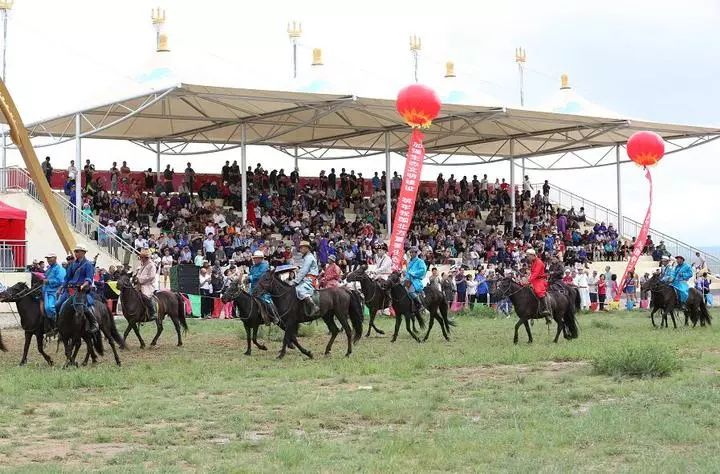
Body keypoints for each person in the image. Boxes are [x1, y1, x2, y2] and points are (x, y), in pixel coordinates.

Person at [55, 244, 98, 333]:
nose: (75, 253)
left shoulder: (88, 264)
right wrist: (61, 287)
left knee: (82, 306)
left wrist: (83, 285)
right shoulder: (72, 264)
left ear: (83, 252)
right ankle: (58, 325)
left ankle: (94, 323)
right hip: (70, 289)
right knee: (58, 304)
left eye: (77, 251)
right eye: (75, 251)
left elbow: (89, 278)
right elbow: (67, 278)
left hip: (81, 290)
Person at [292, 241, 320, 316]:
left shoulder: (309, 258)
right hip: (306, 278)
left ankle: (314, 306)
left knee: (299, 290)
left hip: (310, 279)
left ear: (307, 248)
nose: (300, 250)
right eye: (300, 248)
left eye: (302, 248)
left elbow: (304, 271)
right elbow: (303, 269)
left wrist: (295, 281)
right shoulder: (306, 258)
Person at [525, 248, 551, 317]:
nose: (527, 258)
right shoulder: (533, 262)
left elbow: (536, 273)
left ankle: (546, 308)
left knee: (539, 291)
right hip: (534, 279)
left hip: (539, 280)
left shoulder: (539, 262)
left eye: (528, 256)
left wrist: (529, 280)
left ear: (532, 255)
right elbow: (532, 273)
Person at [42, 253, 65, 323]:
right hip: (45, 291)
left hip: (54, 292)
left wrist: (48, 281)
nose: (48, 260)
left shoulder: (60, 269)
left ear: (55, 258)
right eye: (47, 258)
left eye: (50, 258)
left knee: (49, 308)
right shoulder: (49, 269)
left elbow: (60, 281)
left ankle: (57, 323)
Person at [403, 247, 427, 312]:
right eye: (410, 252)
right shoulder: (409, 262)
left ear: (416, 253)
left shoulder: (420, 261)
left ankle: (420, 305)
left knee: (411, 291)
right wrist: (405, 274)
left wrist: (413, 273)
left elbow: (423, 270)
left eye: (413, 252)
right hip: (407, 280)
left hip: (415, 280)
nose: (411, 254)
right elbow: (408, 272)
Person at [135, 249, 157, 320]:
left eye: (142, 257)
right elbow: (138, 274)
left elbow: (152, 276)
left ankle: (153, 312)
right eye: (141, 257)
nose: (141, 259)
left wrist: (141, 279)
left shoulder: (152, 265)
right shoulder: (142, 265)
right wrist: (136, 278)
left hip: (148, 285)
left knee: (145, 296)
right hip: (139, 285)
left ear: (146, 258)